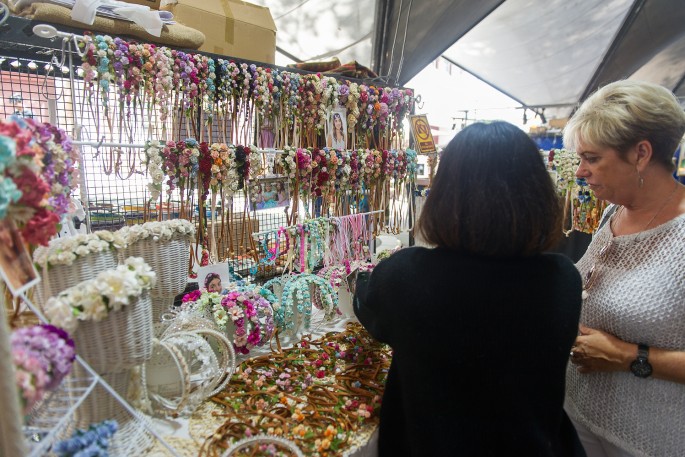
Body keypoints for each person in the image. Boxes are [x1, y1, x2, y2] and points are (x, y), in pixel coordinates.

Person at [353, 121, 585, 457]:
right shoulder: (562, 278)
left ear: (444, 193)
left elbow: (370, 312)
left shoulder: (406, 276)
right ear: (539, 194)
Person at [563, 80, 685, 457]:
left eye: (592, 158)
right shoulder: (615, 213)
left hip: (652, 440)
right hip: (579, 420)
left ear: (640, 153)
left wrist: (626, 356)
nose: (581, 171)